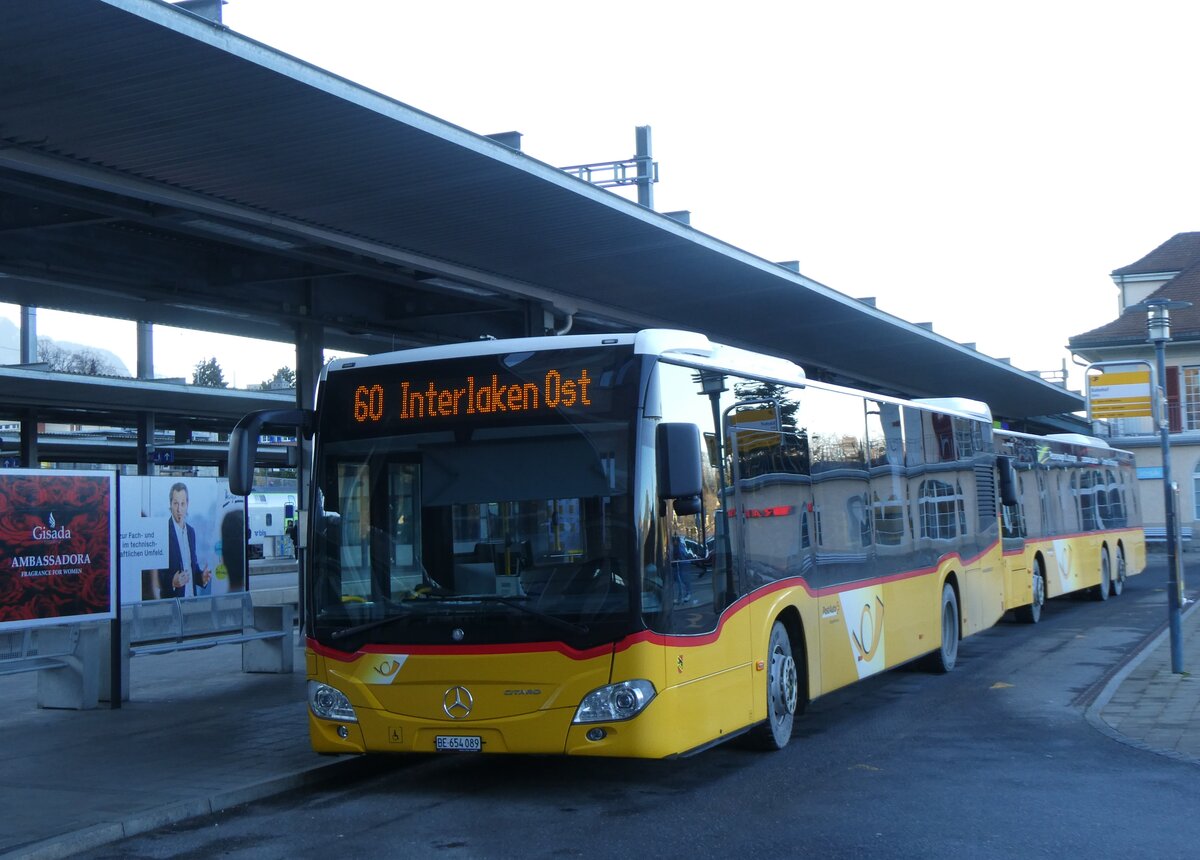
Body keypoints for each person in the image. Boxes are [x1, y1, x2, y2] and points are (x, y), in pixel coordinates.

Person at [158, 481, 211, 597]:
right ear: (170, 504)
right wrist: (172, 581)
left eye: (182, 504)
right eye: (176, 503)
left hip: (191, 600)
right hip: (172, 603)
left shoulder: (191, 532)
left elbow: (192, 567)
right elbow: (156, 574)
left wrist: (201, 577)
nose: (179, 509)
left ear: (187, 504)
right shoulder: (163, 532)